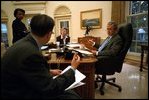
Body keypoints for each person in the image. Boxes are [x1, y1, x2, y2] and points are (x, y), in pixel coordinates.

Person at [1, 14, 81, 99]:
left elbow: (26, 69)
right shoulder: (31, 54)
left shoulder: (24, 43)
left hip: (17, 86)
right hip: (19, 94)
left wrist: (49, 71)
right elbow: (51, 88)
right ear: (49, 34)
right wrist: (72, 68)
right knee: (72, 96)